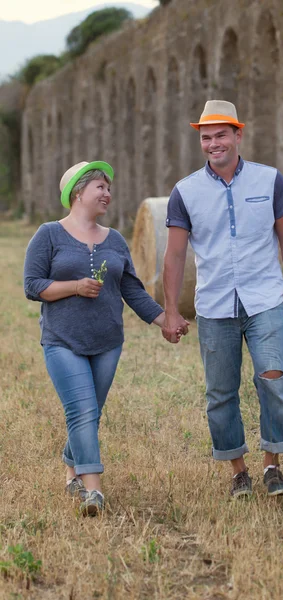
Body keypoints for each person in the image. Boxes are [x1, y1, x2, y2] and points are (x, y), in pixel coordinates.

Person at [162, 100, 283, 498]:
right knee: (220, 392)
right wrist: (170, 309)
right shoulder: (184, 192)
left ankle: (273, 465)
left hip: (264, 299)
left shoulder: (269, 180)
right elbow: (173, 255)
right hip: (215, 304)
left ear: (238, 135)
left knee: (273, 380)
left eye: (221, 134)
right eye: (206, 137)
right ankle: (238, 470)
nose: (213, 143)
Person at [24, 160, 176, 516]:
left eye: (109, 188)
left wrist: (165, 321)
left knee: (89, 415)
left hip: (108, 341)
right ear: (78, 193)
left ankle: (71, 470)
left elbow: (132, 291)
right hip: (62, 340)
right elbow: (32, 285)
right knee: (82, 410)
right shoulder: (48, 235)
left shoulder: (115, 240)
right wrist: (74, 286)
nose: (108, 193)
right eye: (100, 187)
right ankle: (93, 492)